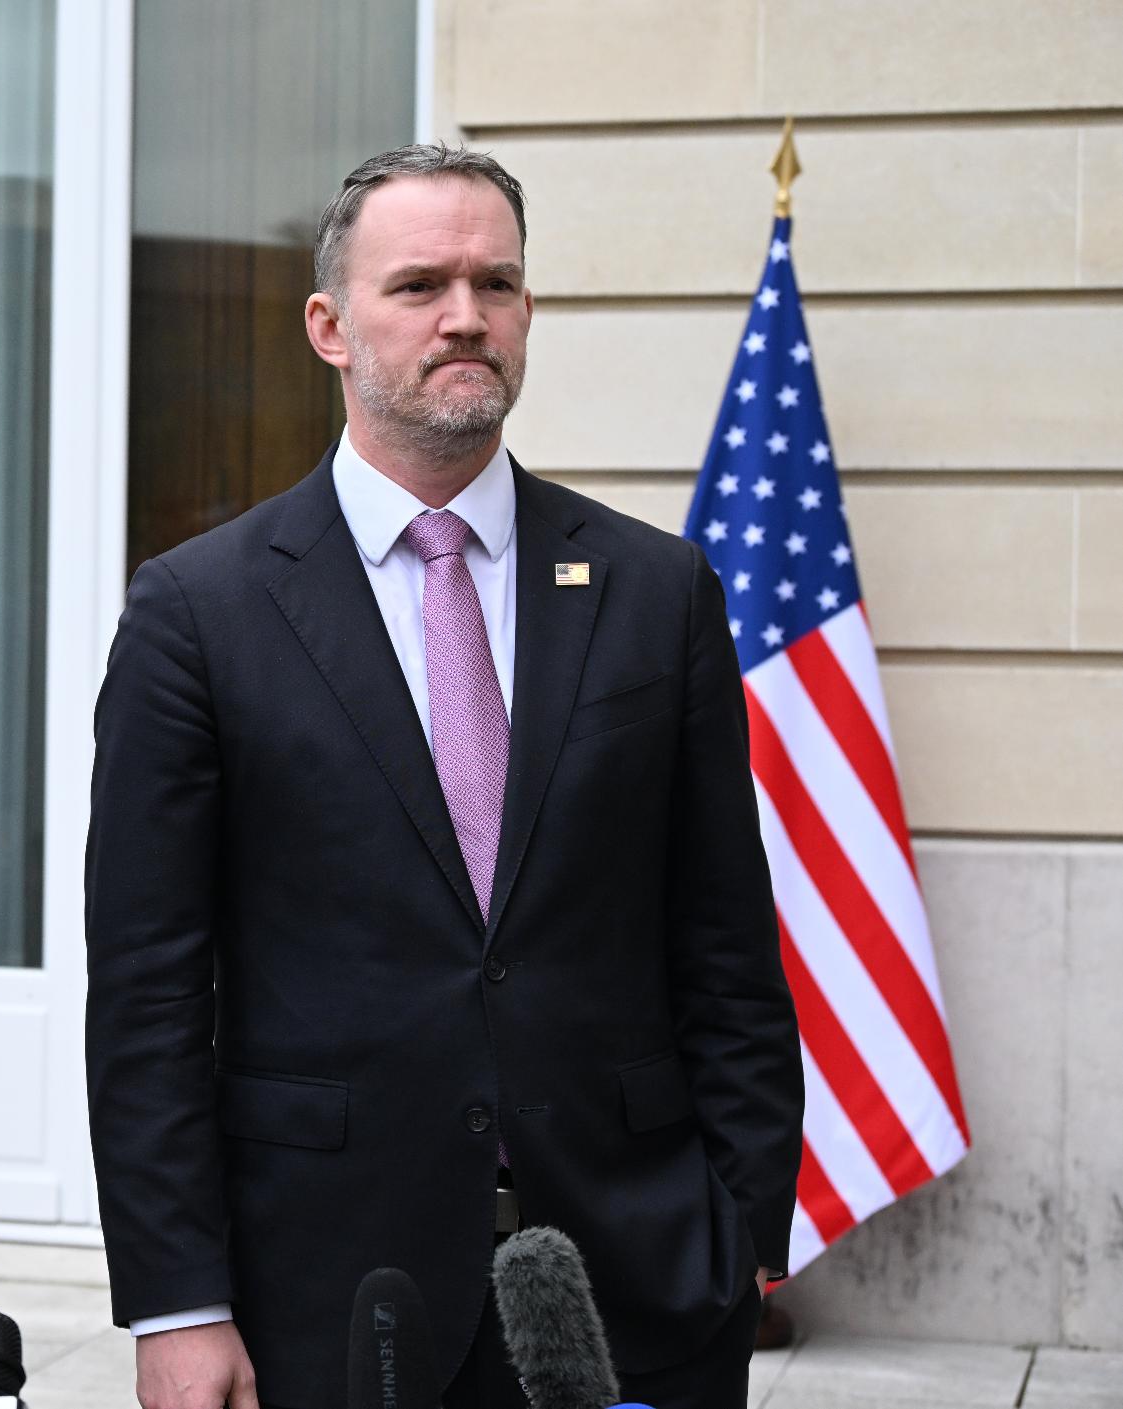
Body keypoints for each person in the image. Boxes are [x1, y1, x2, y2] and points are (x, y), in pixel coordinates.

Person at [85, 143, 803, 1408]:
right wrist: (177, 1300)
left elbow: (726, 943)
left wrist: (739, 1229)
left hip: (633, 1285)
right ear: (328, 324)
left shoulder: (656, 592)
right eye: (418, 283)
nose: (464, 315)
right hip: (321, 1286)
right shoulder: (198, 612)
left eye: (496, 283)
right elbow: (146, 996)